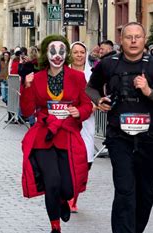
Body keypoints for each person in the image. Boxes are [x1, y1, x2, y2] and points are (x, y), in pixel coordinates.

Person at [86, 22, 153, 233]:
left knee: (145, 194)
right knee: (125, 190)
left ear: (144, 40)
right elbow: (90, 87)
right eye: (129, 37)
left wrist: (149, 91)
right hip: (120, 138)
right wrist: (98, 100)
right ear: (122, 40)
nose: (134, 41)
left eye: (138, 37)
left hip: (151, 139)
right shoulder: (108, 64)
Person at [20, 35, 92, 233]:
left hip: (68, 135)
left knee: (68, 187)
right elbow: (26, 111)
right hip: (45, 136)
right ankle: (55, 227)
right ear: (45, 54)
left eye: (62, 51)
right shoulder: (37, 78)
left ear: (67, 54)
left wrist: (78, 111)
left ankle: (63, 200)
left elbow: (87, 105)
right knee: (51, 182)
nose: (57, 56)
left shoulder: (77, 78)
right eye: (53, 51)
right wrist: (26, 86)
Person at [68, 41, 95, 213]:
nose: (79, 55)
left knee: (86, 160)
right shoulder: (64, 73)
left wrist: (95, 104)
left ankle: (75, 195)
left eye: (82, 52)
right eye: (76, 52)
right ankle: (68, 196)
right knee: (68, 158)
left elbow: (99, 95)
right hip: (68, 120)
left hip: (87, 122)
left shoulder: (93, 74)